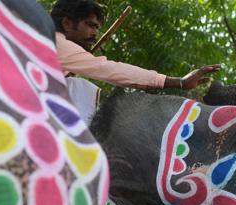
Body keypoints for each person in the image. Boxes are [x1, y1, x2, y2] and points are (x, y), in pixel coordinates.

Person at [50, 0, 220, 124]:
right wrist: (179, 82)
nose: (94, 33)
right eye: (90, 25)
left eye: (96, 28)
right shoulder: (56, 43)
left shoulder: (50, 45)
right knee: (78, 86)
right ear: (66, 23)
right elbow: (109, 69)